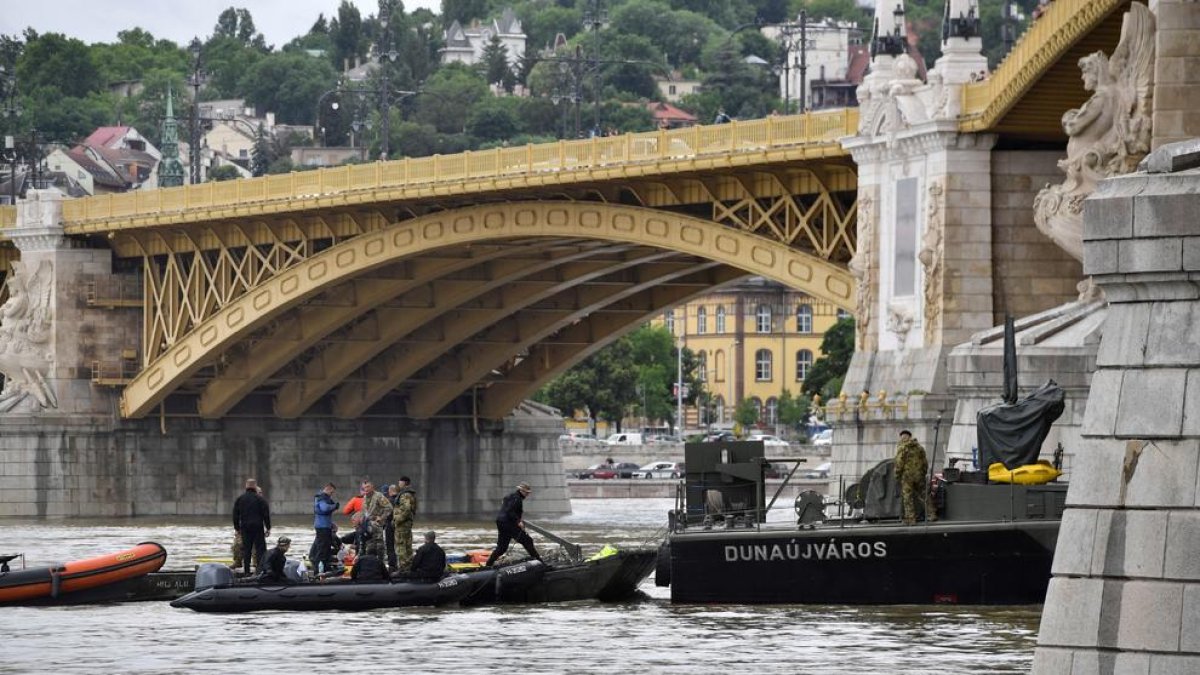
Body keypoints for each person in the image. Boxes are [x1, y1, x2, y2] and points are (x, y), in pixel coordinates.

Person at [485, 482, 541, 567]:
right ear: (521, 491)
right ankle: (539, 562)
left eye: (528, 493)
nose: (528, 494)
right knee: (528, 541)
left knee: (502, 547)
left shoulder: (510, 496)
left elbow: (505, 505)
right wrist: (518, 521)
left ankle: (488, 564)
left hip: (501, 522)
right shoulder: (517, 499)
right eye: (526, 492)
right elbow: (510, 511)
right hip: (509, 523)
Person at [232, 478, 271, 575]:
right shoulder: (261, 500)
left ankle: (246, 571)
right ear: (255, 487)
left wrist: (237, 528)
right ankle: (260, 571)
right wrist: (268, 527)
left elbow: (235, 515)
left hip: (245, 528)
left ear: (246, 486)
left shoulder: (240, 499)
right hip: (258, 527)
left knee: (247, 550)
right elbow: (266, 515)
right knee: (260, 549)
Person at [894, 430, 929, 525]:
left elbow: (899, 463)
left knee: (908, 498)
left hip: (907, 477)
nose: (903, 438)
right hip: (919, 475)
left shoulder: (902, 448)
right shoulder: (919, 448)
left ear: (906, 437)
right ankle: (931, 514)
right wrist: (923, 473)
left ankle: (911, 519)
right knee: (924, 494)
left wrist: (897, 475)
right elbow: (925, 462)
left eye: (903, 437)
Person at [309, 482, 339, 574]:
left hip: (324, 525)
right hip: (322, 527)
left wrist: (331, 523)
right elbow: (324, 509)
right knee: (322, 549)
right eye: (331, 492)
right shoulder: (322, 498)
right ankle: (319, 570)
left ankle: (325, 566)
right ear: (328, 489)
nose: (332, 494)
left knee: (326, 548)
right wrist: (334, 506)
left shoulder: (322, 497)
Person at [359, 481, 393, 558]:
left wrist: (381, 517)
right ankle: (371, 561)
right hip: (367, 524)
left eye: (368, 487)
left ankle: (381, 561)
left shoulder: (378, 496)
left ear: (372, 487)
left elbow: (389, 508)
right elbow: (364, 511)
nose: (366, 489)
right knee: (369, 544)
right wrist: (361, 519)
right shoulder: (364, 497)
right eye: (364, 488)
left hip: (377, 524)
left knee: (379, 545)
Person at [393, 476, 418, 573]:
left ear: (404, 483)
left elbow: (406, 509)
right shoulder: (411, 494)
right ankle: (409, 566)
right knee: (407, 546)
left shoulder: (405, 495)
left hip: (402, 525)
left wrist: (398, 520)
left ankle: (403, 568)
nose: (399, 484)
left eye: (400, 482)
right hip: (407, 524)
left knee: (401, 546)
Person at [384, 484, 399, 573]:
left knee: (390, 547)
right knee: (399, 546)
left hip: (390, 526)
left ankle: (392, 566)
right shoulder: (401, 500)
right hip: (400, 526)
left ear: (390, 491)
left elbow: (387, 515)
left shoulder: (389, 502)